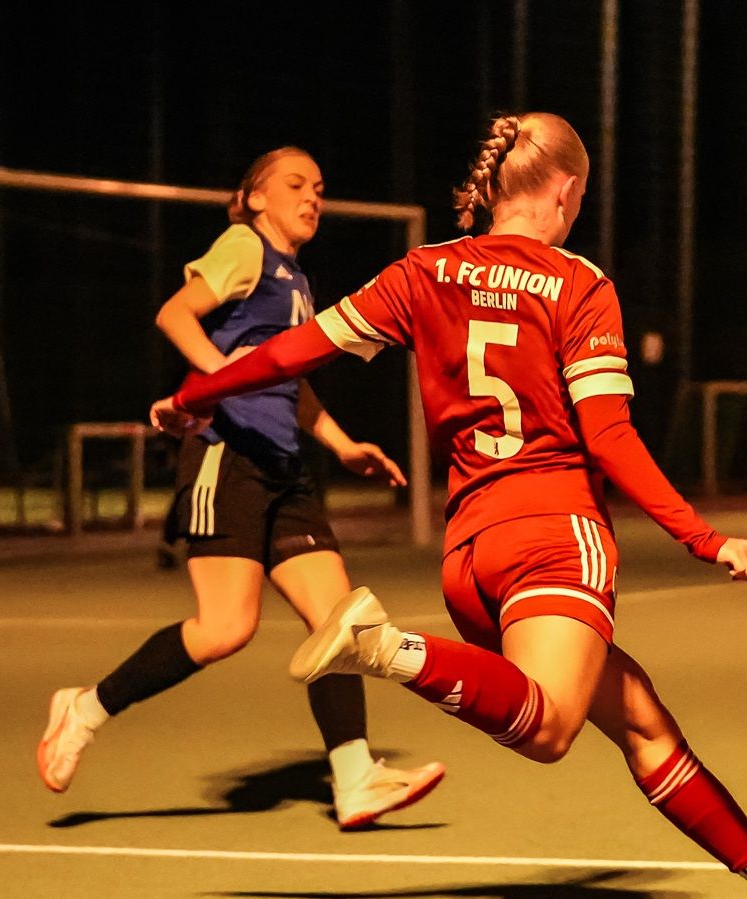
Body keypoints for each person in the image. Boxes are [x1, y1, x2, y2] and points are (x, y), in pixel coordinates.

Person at [152, 112, 747, 899]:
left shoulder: (422, 271)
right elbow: (610, 437)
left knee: (643, 721)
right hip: (552, 533)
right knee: (551, 729)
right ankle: (386, 648)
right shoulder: (581, 284)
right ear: (567, 189)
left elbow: (293, 351)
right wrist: (703, 535)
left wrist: (191, 398)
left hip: (471, 561)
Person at [37, 147, 444, 830]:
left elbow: (291, 380)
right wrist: (217, 380)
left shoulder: (297, 281)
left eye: (319, 187)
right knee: (226, 629)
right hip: (229, 459)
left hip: (287, 467)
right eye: (294, 184)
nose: (311, 196)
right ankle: (83, 708)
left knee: (342, 623)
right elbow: (175, 315)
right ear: (254, 197)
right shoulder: (243, 246)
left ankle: (355, 779)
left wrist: (343, 446)